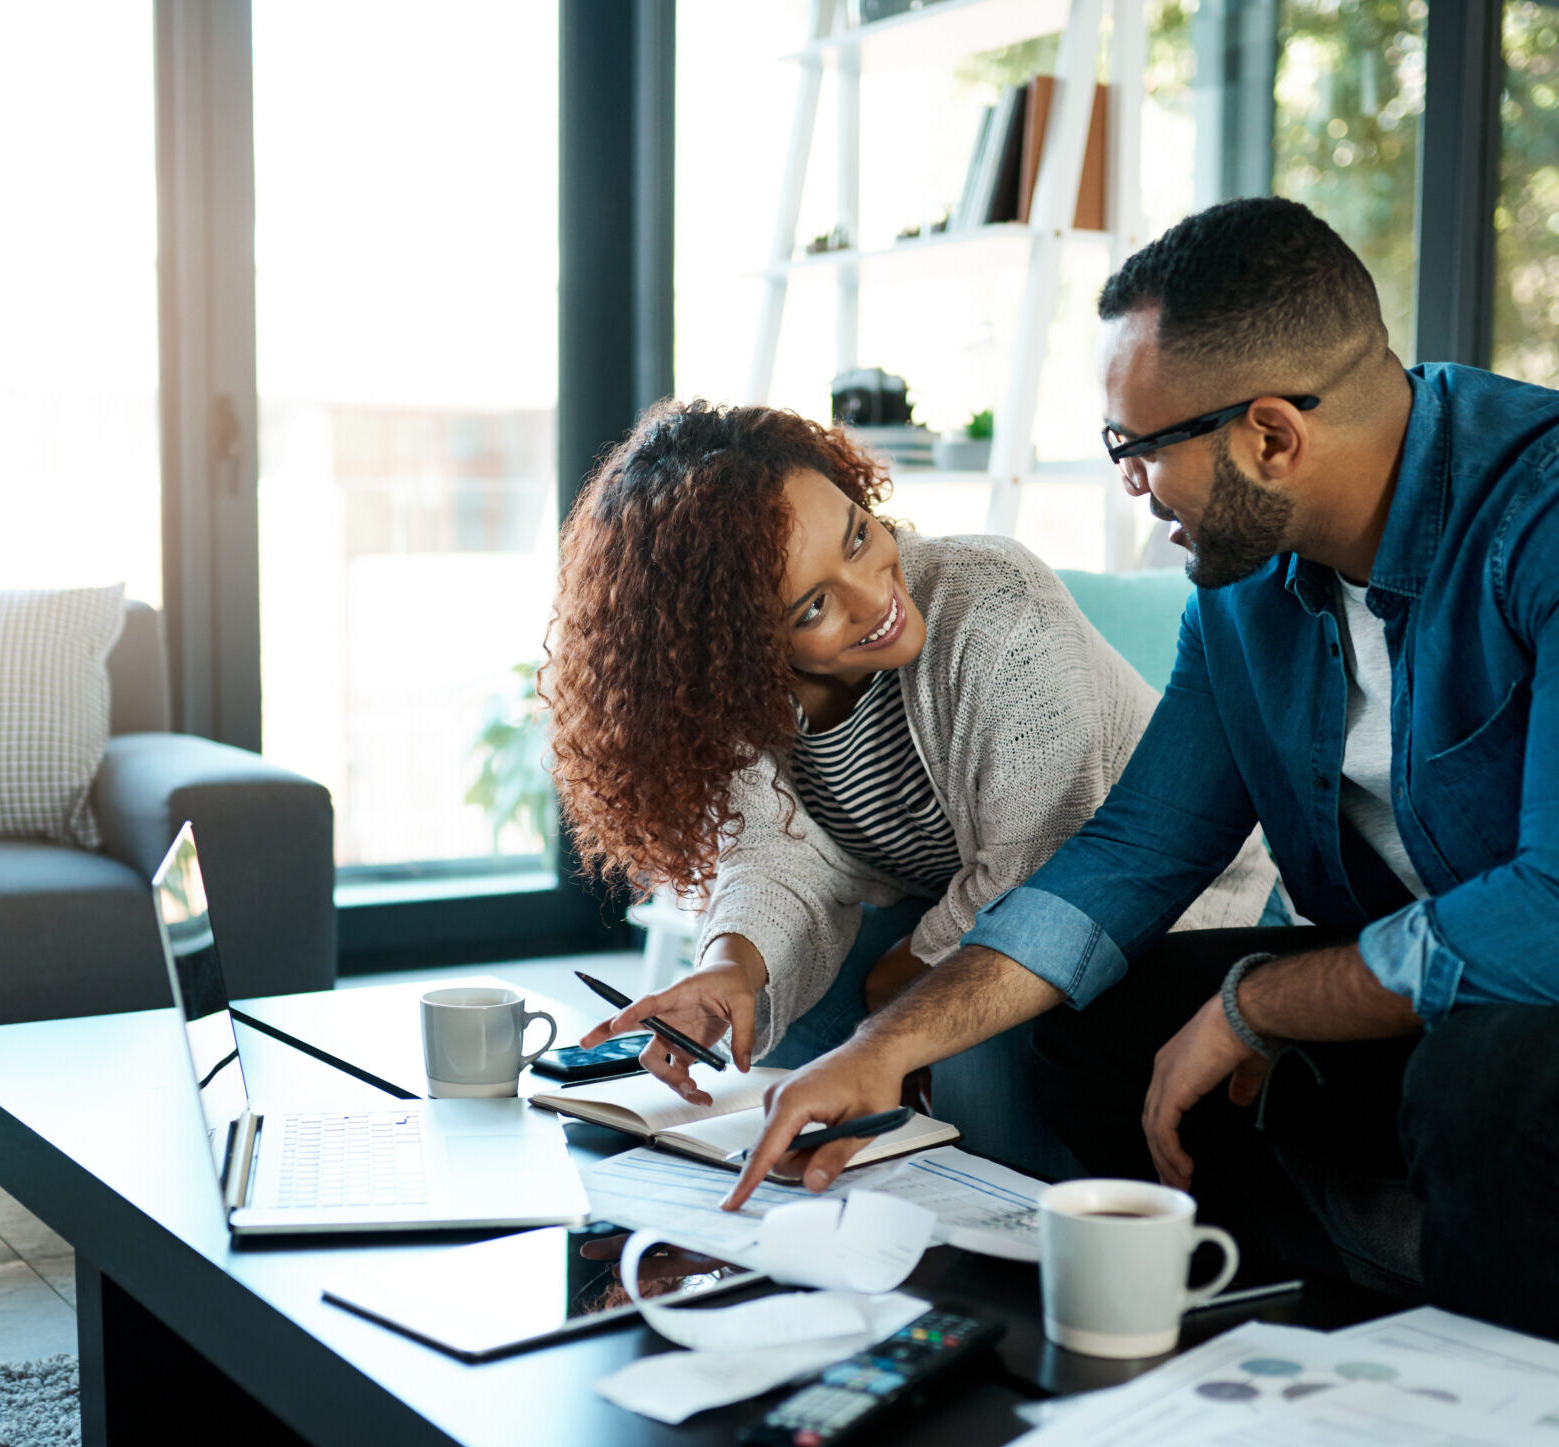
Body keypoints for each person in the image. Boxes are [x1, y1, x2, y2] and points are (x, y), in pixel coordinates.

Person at [726, 197, 1559, 1339]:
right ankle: (1285, 1317)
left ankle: (1491, 1416)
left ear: (1270, 434)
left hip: (1532, 991)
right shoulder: (1242, 594)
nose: (1129, 485)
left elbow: (1549, 912)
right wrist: (882, 1050)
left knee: (1485, 1079)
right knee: (1096, 1027)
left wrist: (1258, 1002)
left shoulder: (1539, 522)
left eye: (1138, 447)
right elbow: (1133, 853)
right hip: (1409, 984)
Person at [545, 399, 1274, 1165]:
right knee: (782, 1022)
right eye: (815, 606)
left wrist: (893, 999)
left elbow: (1039, 878)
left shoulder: (994, 608)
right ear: (739, 652)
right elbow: (779, 858)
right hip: (960, 900)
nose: (873, 597)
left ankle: (998, 1241)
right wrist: (728, 970)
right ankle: (836, 1206)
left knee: (971, 1045)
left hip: (1154, 902)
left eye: (859, 537)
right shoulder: (747, 701)